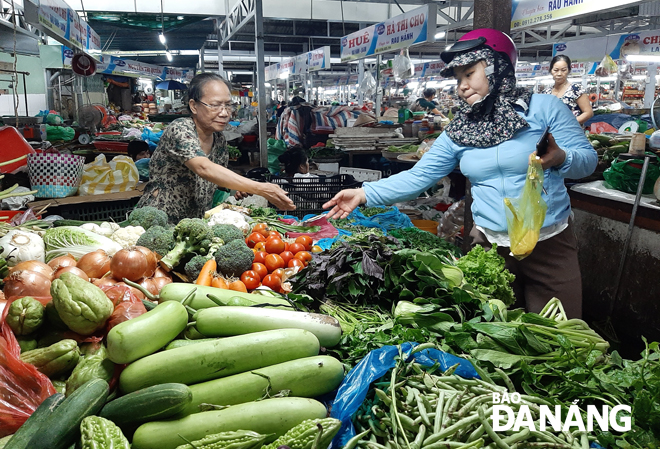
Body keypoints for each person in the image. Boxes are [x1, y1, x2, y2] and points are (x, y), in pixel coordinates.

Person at [324, 29, 597, 319]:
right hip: (490, 248)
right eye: (458, 79)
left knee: (559, 336)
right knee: (500, 339)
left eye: (469, 74)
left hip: (549, 242)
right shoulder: (461, 128)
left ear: (497, 67)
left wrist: (561, 158)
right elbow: (419, 177)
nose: (461, 86)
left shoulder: (545, 109)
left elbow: (588, 161)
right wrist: (365, 193)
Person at [136, 72, 294, 223]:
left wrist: (236, 186)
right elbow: (204, 168)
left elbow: (212, 177)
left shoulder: (218, 140)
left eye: (228, 105)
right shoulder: (180, 129)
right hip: (159, 219)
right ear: (194, 106)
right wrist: (261, 188)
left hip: (192, 223)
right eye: (215, 105)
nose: (224, 113)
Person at [543, 55, 593, 126]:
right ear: (551, 71)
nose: (559, 74)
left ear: (569, 71)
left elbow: (588, 113)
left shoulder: (576, 89)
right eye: (556, 70)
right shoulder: (546, 92)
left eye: (563, 70)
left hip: (571, 133)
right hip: (550, 134)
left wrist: (568, 124)